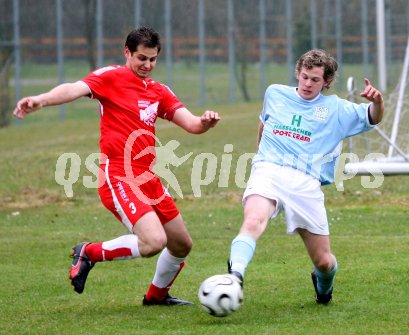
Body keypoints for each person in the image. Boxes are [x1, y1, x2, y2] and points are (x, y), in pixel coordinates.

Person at [13, 26, 220, 306]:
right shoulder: (110, 77)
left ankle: (156, 296)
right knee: (153, 242)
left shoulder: (159, 91)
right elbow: (74, 88)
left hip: (149, 178)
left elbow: (193, 124)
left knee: (182, 243)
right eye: (141, 58)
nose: (147, 65)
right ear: (127, 52)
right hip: (119, 175)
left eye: (153, 60)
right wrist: (41, 100)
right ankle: (89, 252)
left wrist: (206, 122)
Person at [225, 49, 384, 304]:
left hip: (306, 182)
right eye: (305, 76)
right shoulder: (275, 93)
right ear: (298, 73)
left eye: (315, 80)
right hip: (269, 170)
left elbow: (372, 117)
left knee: (323, 261)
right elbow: (264, 124)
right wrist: (260, 160)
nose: (308, 83)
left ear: (327, 82)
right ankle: (234, 277)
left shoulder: (336, 109)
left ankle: (324, 286)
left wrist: (377, 102)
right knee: (254, 220)